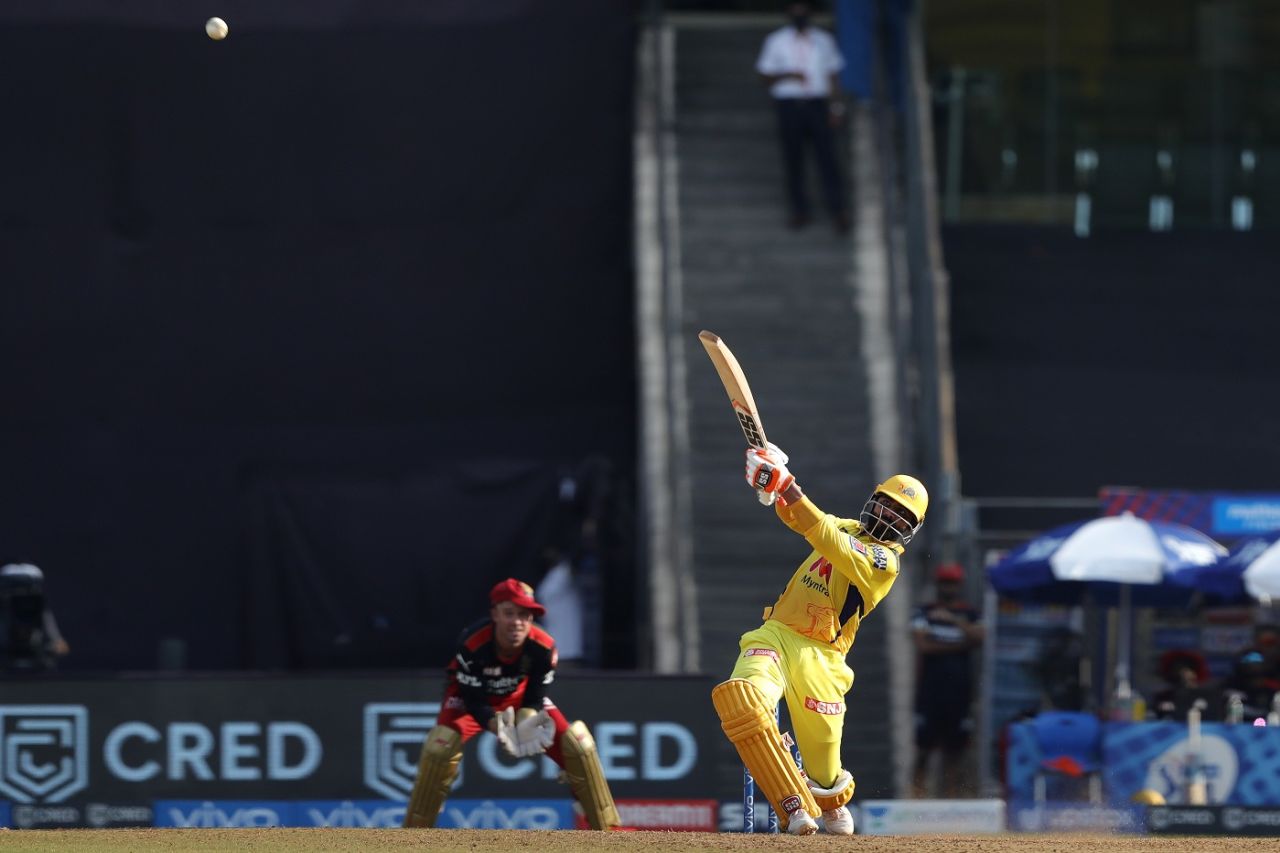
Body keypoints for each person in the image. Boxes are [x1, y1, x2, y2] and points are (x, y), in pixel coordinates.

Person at [711, 441, 927, 835]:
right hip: (777, 634)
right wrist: (771, 486)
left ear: (910, 530)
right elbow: (801, 520)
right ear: (873, 500)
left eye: (902, 515)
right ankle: (791, 805)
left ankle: (827, 800)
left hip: (823, 659)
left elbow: (825, 536)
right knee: (744, 698)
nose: (891, 516)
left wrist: (788, 485)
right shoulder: (844, 524)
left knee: (825, 767)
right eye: (888, 504)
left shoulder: (885, 563)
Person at [403, 578, 620, 830]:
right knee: (440, 747)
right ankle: (413, 835)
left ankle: (609, 832)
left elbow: (535, 696)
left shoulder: (544, 647)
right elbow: (473, 700)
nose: (517, 622)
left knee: (579, 746)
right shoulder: (472, 644)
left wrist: (526, 719)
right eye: (509, 613)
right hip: (469, 699)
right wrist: (498, 726)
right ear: (494, 614)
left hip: (518, 695)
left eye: (524, 615)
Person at [756, 1, 850, 232]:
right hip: (789, 106)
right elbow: (764, 75)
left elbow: (833, 76)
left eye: (803, 8)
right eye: (794, 8)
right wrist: (789, 74)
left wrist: (836, 108)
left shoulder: (823, 40)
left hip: (817, 104)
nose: (799, 13)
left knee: (828, 159)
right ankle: (799, 210)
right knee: (793, 160)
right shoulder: (776, 41)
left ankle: (838, 210)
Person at [910, 563, 984, 798]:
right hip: (930, 691)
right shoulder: (925, 611)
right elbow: (923, 645)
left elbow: (979, 637)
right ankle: (916, 796)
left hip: (960, 692)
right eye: (944, 582)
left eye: (952, 583)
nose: (948, 587)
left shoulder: (970, 613)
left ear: (959, 585)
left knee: (956, 749)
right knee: (923, 748)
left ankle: (952, 796)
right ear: (937, 584)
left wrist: (953, 621)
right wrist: (959, 644)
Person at [0, 563, 70, 672]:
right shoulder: (4, 608)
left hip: (36, 660)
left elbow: (60, 646)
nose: (20, 596)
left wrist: (54, 645)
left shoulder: (41, 609)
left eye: (25, 588)